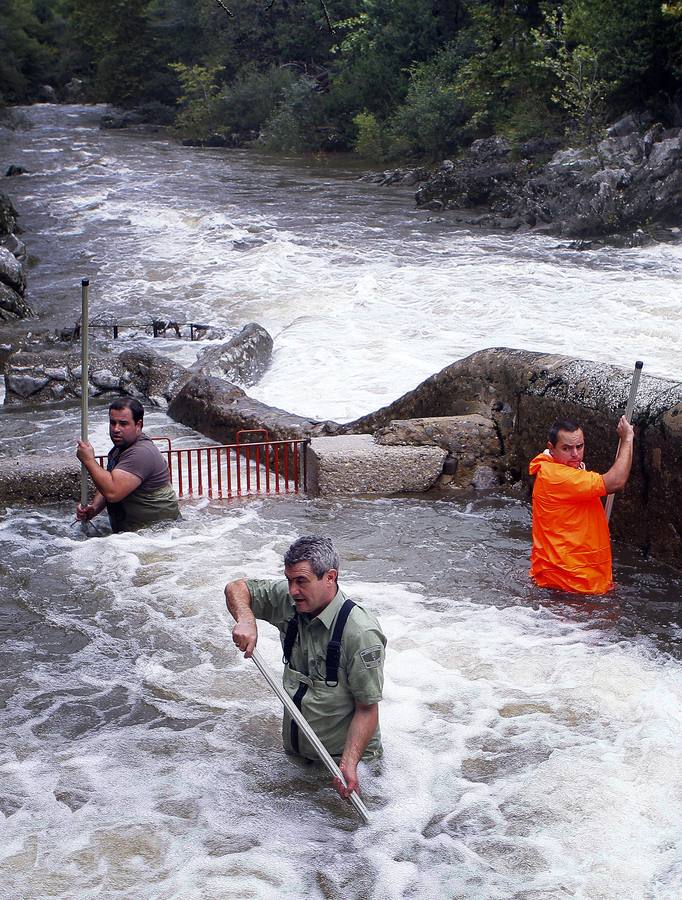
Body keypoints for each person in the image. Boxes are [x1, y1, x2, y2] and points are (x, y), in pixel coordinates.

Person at [225, 535, 386, 801]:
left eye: (301, 581)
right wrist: (246, 619)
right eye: (288, 580)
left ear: (330, 578)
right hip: (298, 758)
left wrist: (349, 763)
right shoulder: (291, 602)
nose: (292, 591)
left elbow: (367, 708)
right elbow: (237, 587)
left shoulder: (360, 632)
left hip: (346, 766)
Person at [529, 415, 635, 594]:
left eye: (580, 446)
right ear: (551, 448)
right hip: (568, 583)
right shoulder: (559, 476)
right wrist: (627, 439)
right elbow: (615, 482)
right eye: (567, 448)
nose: (575, 454)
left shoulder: (557, 468)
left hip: (571, 578)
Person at [76, 397, 180, 533]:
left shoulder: (141, 453)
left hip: (159, 534)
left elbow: (113, 492)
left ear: (138, 425)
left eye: (123, 424)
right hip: (135, 533)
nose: (116, 429)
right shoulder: (119, 449)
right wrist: (94, 508)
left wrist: (89, 460)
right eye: (113, 423)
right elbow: (110, 481)